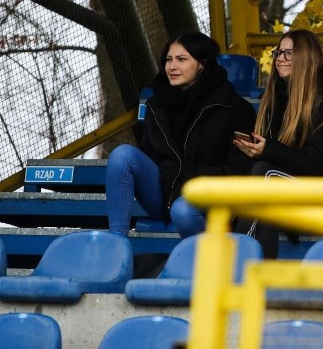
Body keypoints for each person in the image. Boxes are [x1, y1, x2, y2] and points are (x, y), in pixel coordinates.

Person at [105, 32, 256, 237]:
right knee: (122, 155)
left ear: (201, 64)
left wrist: (191, 182)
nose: (172, 66)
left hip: (209, 198)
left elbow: (239, 168)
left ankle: (205, 264)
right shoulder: (156, 105)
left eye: (181, 59)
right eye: (168, 59)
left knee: (182, 209)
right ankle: (116, 243)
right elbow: (150, 155)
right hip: (167, 194)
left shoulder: (234, 108)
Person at [233, 29, 323, 258]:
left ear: (308, 58)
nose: (280, 58)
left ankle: (238, 258)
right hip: (284, 187)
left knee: (264, 174)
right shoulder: (273, 98)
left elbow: (315, 165)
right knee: (267, 193)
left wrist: (267, 149)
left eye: (289, 53)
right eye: (279, 52)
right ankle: (261, 277)